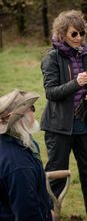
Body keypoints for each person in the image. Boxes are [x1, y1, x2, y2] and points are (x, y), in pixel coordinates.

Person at [40, 10, 87, 221]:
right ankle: (50, 215)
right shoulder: (51, 58)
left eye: (82, 33)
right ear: (63, 33)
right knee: (56, 175)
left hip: (85, 124)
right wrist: (76, 83)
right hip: (59, 128)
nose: (80, 38)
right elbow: (51, 92)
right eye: (75, 34)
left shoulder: (83, 54)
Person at [0, 89, 53, 221]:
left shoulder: (17, 143)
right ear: (20, 119)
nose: (35, 112)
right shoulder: (19, 165)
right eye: (32, 108)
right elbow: (28, 212)